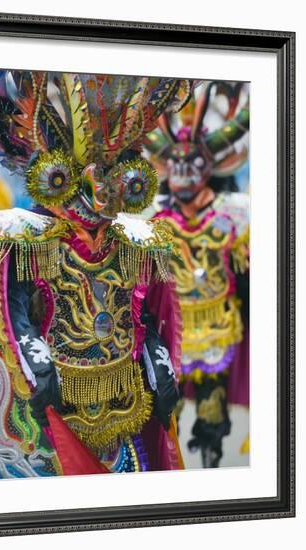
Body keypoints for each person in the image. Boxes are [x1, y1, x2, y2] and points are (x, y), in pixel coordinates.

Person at [0, 70, 192, 478]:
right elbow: (11, 312)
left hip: (124, 404)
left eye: (113, 178)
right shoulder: (28, 239)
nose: (103, 195)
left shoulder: (134, 241)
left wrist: (156, 357)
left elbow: (142, 312)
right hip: (53, 409)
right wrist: (35, 366)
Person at [147, 82, 250, 467]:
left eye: (194, 166)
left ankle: (211, 457)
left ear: (212, 168)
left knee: (211, 410)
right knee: (164, 407)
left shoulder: (231, 217)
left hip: (214, 327)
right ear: (165, 169)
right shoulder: (157, 222)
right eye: (178, 166)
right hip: (170, 330)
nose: (186, 175)